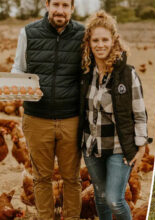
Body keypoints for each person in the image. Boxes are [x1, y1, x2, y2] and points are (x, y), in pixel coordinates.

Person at [11, 0, 84, 219]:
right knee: (41, 178)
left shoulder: (83, 34)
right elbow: (18, 67)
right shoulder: (29, 32)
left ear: (72, 7)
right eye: (56, 4)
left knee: (72, 178)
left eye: (65, 5)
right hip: (37, 117)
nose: (60, 10)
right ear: (47, 5)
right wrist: (20, 86)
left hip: (71, 118)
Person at [77, 10, 149, 220]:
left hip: (119, 147)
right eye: (95, 40)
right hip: (92, 146)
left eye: (105, 40)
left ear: (114, 41)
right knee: (99, 196)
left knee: (115, 199)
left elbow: (140, 113)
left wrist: (141, 145)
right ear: (89, 43)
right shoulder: (86, 73)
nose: (100, 44)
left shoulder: (127, 74)